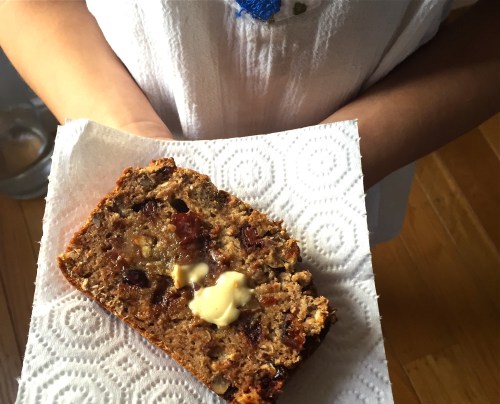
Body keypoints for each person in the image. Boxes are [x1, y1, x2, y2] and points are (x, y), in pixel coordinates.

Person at [0, 0, 498, 244]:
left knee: (338, 274)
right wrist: (131, 141)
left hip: (361, 152)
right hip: (127, 112)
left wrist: (331, 165)